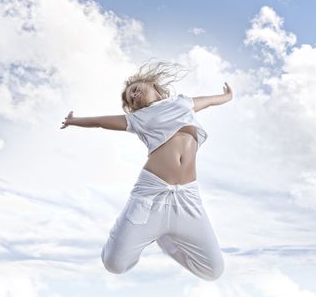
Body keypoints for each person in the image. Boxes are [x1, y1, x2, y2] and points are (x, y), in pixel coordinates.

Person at [60, 60, 233, 281]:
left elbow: (208, 102)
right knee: (114, 264)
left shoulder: (182, 103)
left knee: (213, 271)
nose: (132, 96)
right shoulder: (139, 119)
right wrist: (75, 121)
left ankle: (167, 240)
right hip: (150, 194)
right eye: (130, 99)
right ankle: (145, 231)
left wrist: (227, 97)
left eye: (133, 90)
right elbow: (101, 122)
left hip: (187, 198)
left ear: (149, 82)